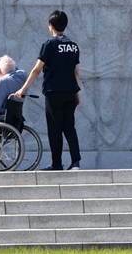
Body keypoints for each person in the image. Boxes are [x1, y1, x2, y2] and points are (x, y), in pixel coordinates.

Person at [14, 10, 81, 171]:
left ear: (51, 26)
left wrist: (23, 89)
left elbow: (37, 70)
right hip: (71, 92)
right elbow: (76, 71)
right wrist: (78, 92)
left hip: (53, 92)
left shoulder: (49, 45)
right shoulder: (73, 46)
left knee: (54, 128)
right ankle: (75, 162)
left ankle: (57, 164)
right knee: (69, 127)